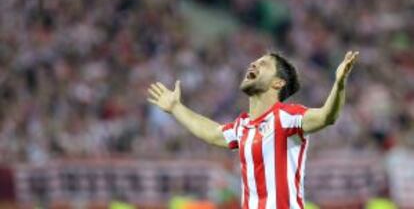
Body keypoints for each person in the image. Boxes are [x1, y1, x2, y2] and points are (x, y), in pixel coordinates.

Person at [147, 51, 359, 209]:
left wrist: (339, 84)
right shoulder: (243, 126)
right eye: (255, 62)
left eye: (264, 64)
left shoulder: (285, 117)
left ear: (278, 82)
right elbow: (212, 133)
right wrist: (176, 107)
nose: (254, 64)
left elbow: (326, 117)